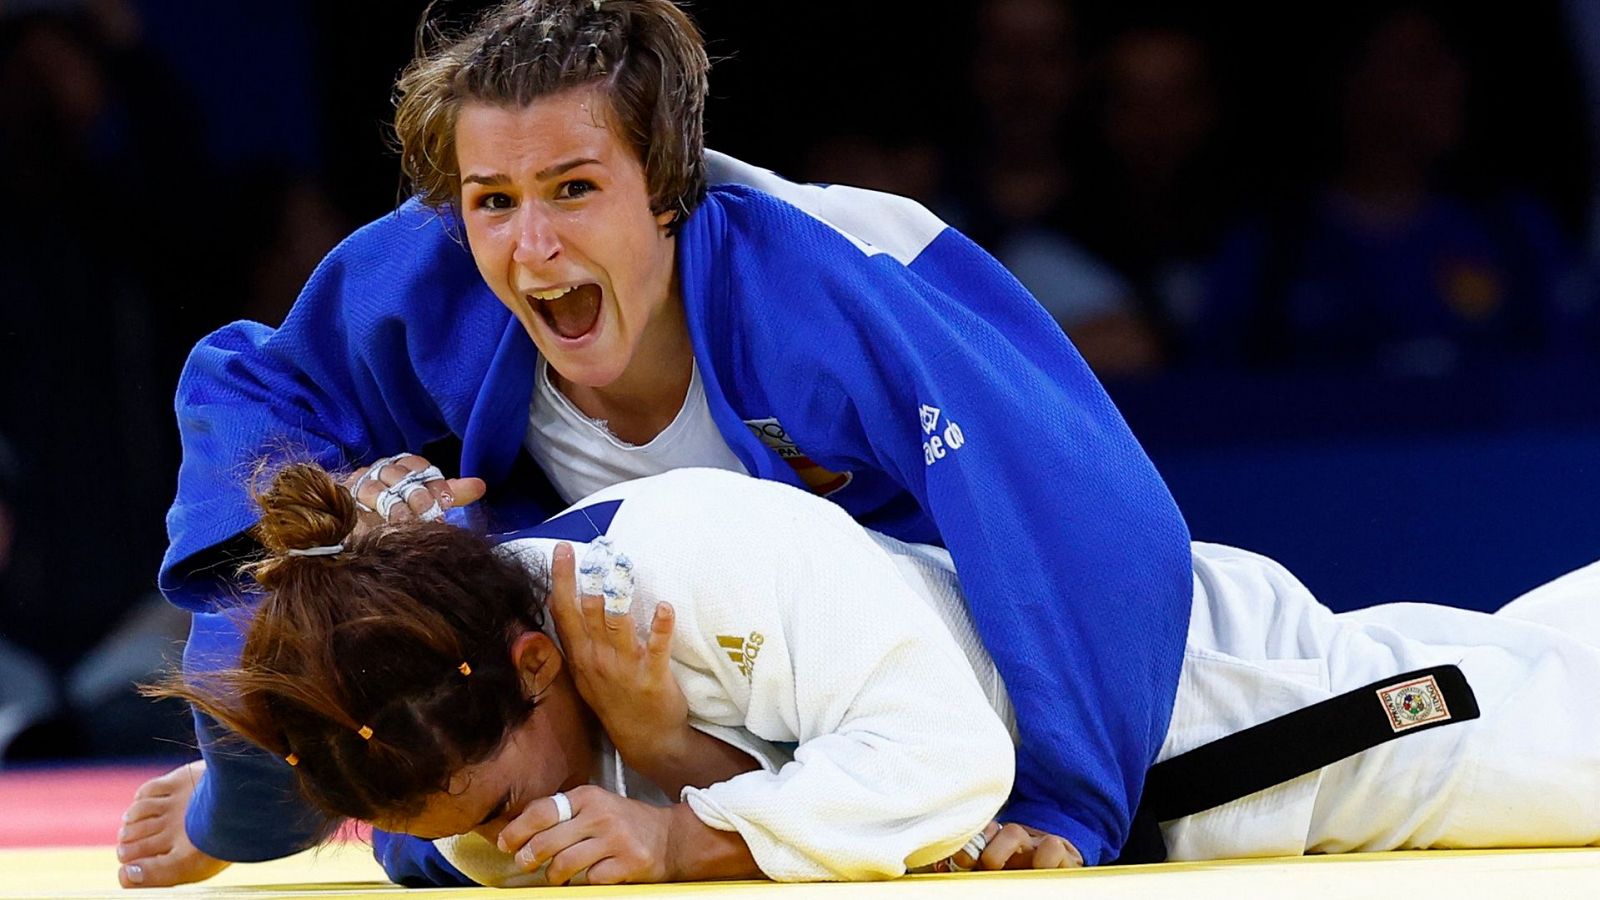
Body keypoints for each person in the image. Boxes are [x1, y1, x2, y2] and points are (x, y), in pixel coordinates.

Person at [116, 0, 1193, 887]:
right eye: (493, 200)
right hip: (658, 717)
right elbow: (247, 398)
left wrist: (1066, 798)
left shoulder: (830, 288)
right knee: (429, 837)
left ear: (667, 183)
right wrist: (255, 776)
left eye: (574, 188)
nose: (532, 244)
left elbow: (1086, 513)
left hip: (916, 684)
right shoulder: (427, 275)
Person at [154, 462, 1600, 887]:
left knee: (1546, 732)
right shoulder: (447, 718)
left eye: (484, 806)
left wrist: (679, 822)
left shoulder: (707, 555)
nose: (493, 844)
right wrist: (672, 783)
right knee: (1531, 654)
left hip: (1229, 718)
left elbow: (949, 759)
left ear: (537, 664)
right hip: (1157, 754)